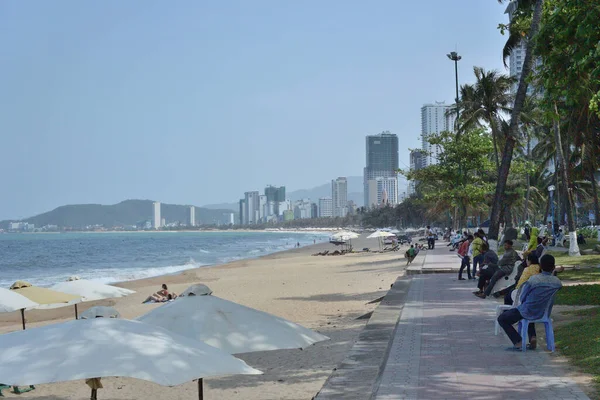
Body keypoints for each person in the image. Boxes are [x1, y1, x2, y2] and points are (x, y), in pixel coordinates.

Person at [497, 254, 562, 350]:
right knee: (529, 310)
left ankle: (518, 342)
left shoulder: (533, 280)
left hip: (528, 310)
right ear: (553, 267)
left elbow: (523, 296)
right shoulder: (557, 282)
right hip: (544, 312)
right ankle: (532, 337)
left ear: (540, 266)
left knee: (502, 318)